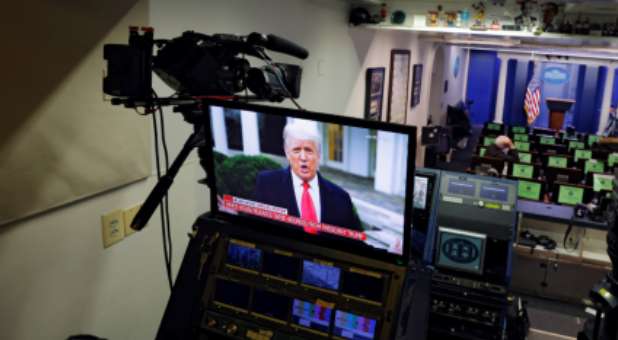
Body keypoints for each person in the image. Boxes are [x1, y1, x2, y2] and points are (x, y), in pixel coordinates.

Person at [254, 120, 362, 233]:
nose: (303, 157)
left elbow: (353, 242)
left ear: (319, 154)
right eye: (296, 150)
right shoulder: (267, 184)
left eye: (309, 150)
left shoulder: (341, 198)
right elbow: (259, 232)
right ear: (287, 153)